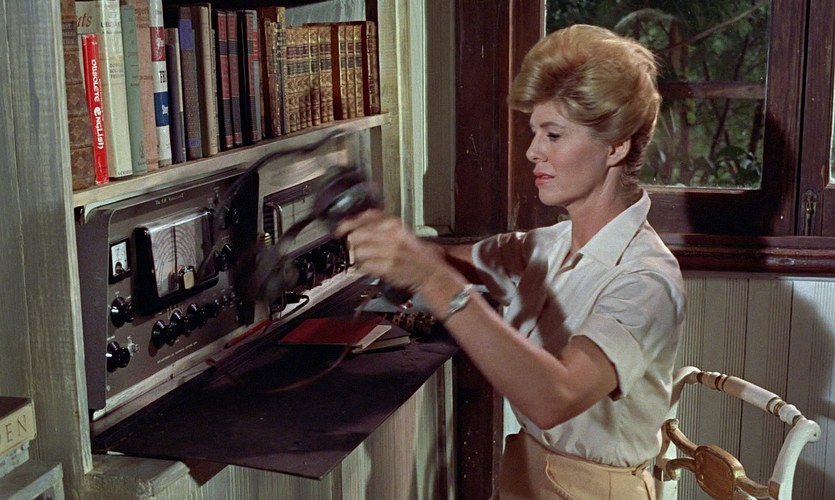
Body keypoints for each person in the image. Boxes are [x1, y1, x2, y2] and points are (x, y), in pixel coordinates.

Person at [335, 24, 686, 499]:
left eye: (553, 134)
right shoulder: (551, 246)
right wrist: (380, 234)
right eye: (535, 132)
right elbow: (443, 260)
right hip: (526, 476)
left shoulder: (646, 281)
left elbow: (555, 398)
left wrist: (435, 280)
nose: (533, 151)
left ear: (616, 146)